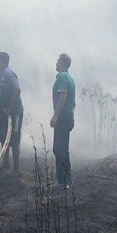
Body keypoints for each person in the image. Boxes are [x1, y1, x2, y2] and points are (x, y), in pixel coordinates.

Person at [50, 53, 76, 190]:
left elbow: (63, 96)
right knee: (64, 149)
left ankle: (61, 181)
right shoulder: (70, 78)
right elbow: (74, 102)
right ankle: (67, 180)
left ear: (62, 63)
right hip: (69, 116)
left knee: (58, 148)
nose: (56, 63)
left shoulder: (61, 77)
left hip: (63, 117)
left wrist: (55, 115)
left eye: (57, 61)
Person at [0, 52, 23, 171]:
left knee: (14, 139)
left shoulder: (9, 74)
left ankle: (16, 169)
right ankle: (5, 164)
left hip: (15, 113)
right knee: (3, 137)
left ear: (1, 60)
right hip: (4, 112)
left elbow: (17, 90)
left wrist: (11, 109)